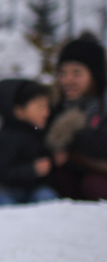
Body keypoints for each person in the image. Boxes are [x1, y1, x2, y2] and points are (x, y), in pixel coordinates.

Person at [45, 35, 107, 200]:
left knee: (94, 185)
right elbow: (38, 135)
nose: (68, 80)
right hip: (71, 182)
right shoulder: (55, 106)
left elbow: (102, 145)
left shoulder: (103, 106)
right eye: (63, 73)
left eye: (77, 73)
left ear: (94, 75)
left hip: (98, 177)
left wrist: (71, 130)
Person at [0, 78, 58, 205]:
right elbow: (2, 171)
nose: (46, 112)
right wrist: (32, 170)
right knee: (6, 208)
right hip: (7, 190)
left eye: (47, 106)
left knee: (48, 198)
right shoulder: (8, 135)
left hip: (35, 189)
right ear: (19, 111)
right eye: (40, 107)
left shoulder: (39, 130)